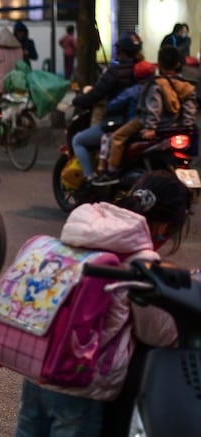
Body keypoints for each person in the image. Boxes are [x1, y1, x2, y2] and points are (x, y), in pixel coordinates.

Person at [14, 170, 191, 437]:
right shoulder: (139, 258)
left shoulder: (87, 229)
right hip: (80, 384)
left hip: (38, 369)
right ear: (165, 226)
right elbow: (158, 333)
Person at [94, 46, 197, 186]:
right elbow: (189, 111)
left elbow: (154, 107)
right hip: (177, 128)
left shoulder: (157, 84)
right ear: (179, 65)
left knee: (117, 136)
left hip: (152, 125)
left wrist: (151, 127)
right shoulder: (188, 86)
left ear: (159, 64)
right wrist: (186, 127)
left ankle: (112, 172)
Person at [71, 31, 144, 182]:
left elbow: (96, 94)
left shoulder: (115, 72)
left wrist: (78, 101)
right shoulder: (143, 71)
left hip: (118, 122)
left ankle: (90, 179)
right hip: (143, 122)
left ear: (121, 51)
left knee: (78, 140)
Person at [93, 60, 156, 179]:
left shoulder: (133, 90)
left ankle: (111, 170)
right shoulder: (158, 87)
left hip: (137, 123)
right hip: (155, 125)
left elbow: (112, 105)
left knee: (114, 136)